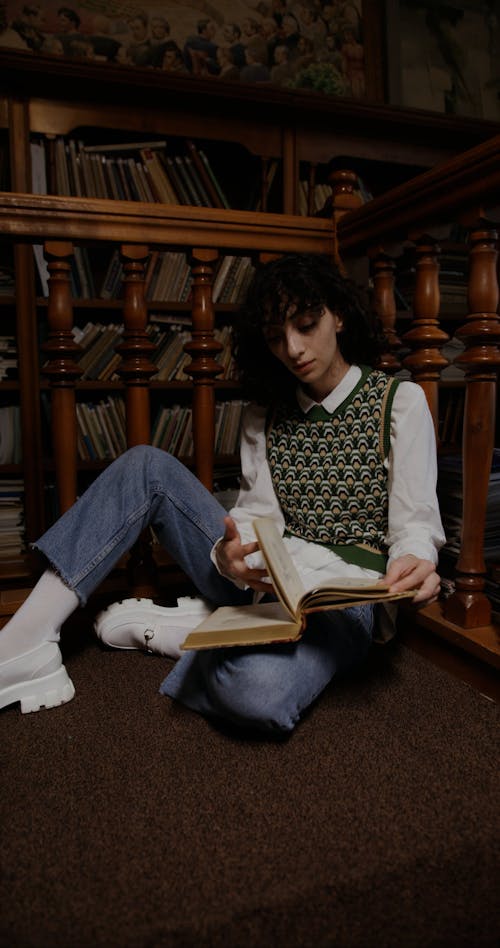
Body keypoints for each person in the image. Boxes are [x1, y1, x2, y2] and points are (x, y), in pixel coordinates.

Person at [0, 254, 444, 737]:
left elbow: (415, 522)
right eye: (276, 337)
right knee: (146, 464)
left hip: (343, 600)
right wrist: (230, 555)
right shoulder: (264, 416)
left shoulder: (399, 402)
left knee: (257, 695)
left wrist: (416, 564)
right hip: (266, 579)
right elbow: (256, 519)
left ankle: (187, 629)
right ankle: (26, 641)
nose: (293, 348)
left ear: (337, 315)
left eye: (306, 324)